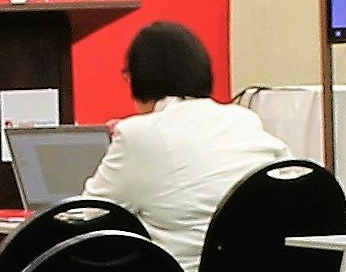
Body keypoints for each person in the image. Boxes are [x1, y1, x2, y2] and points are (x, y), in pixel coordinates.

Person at [81, 19, 294, 242]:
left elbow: (88, 214)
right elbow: (292, 180)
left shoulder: (136, 134)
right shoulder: (244, 119)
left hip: (184, 264)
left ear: (140, 77)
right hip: (261, 260)